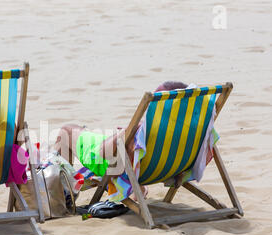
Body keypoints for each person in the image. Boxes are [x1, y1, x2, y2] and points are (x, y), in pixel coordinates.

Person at [53, 81, 189, 201]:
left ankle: (60, 196)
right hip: (162, 169)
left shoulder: (143, 129)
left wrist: (124, 134)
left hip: (113, 164)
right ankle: (138, 189)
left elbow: (102, 153)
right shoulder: (190, 131)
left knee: (66, 132)